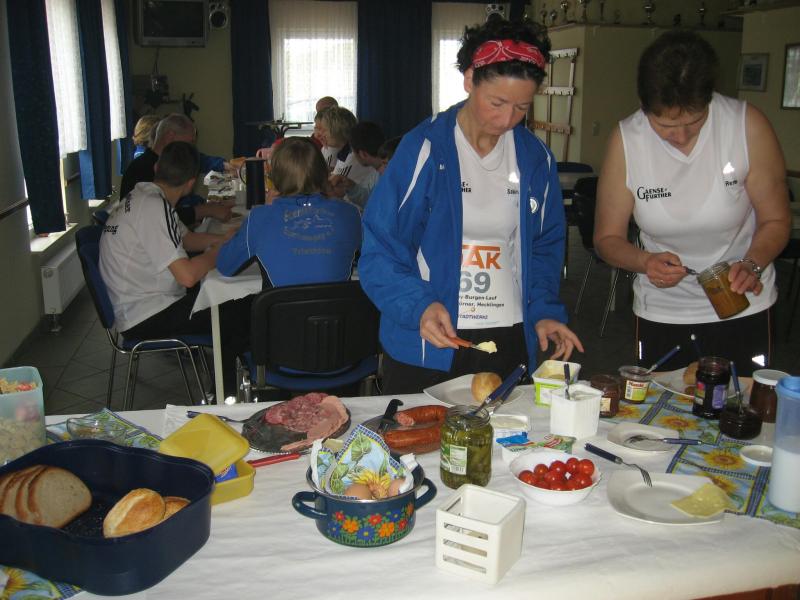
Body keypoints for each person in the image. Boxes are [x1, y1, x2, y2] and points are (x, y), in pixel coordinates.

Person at [359, 16, 584, 394]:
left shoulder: (534, 159)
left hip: (507, 335)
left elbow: (544, 247)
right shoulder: (425, 149)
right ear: (469, 80)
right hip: (433, 335)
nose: (507, 119)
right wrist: (418, 306)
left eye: (522, 107)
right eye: (497, 102)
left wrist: (544, 311)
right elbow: (380, 248)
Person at [594, 30, 791, 376]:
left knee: (741, 402)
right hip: (663, 312)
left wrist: (752, 263)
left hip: (743, 306)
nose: (681, 136)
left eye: (694, 121)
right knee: (663, 404)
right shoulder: (627, 140)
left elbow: (776, 220)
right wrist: (644, 262)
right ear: (644, 106)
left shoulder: (745, 126)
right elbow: (606, 239)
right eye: (665, 125)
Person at [100, 142, 250, 397]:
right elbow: (188, 276)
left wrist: (223, 240)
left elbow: (187, 240)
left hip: (140, 303)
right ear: (191, 183)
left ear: (157, 167)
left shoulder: (146, 197)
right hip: (146, 315)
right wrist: (219, 253)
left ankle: (227, 388)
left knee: (228, 302)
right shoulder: (152, 208)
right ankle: (226, 396)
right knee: (239, 311)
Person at [216, 137, 361, 287]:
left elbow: (225, 265)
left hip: (277, 302)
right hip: (338, 302)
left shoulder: (259, 217)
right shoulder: (350, 214)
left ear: (274, 177)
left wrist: (263, 211)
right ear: (323, 173)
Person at [120, 114, 234, 227]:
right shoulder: (141, 169)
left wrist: (206, 207)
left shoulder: (167, 162)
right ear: (170, 137)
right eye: (190, 142)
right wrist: (206, 210)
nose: (191, 147)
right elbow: (157, 218)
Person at [328, 121, 386, 210]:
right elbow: (369, 198)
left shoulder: (386, 175)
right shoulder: (377, 172)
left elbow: (375, 204)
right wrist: (351, 186)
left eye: (353, 151)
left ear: (363, 154)